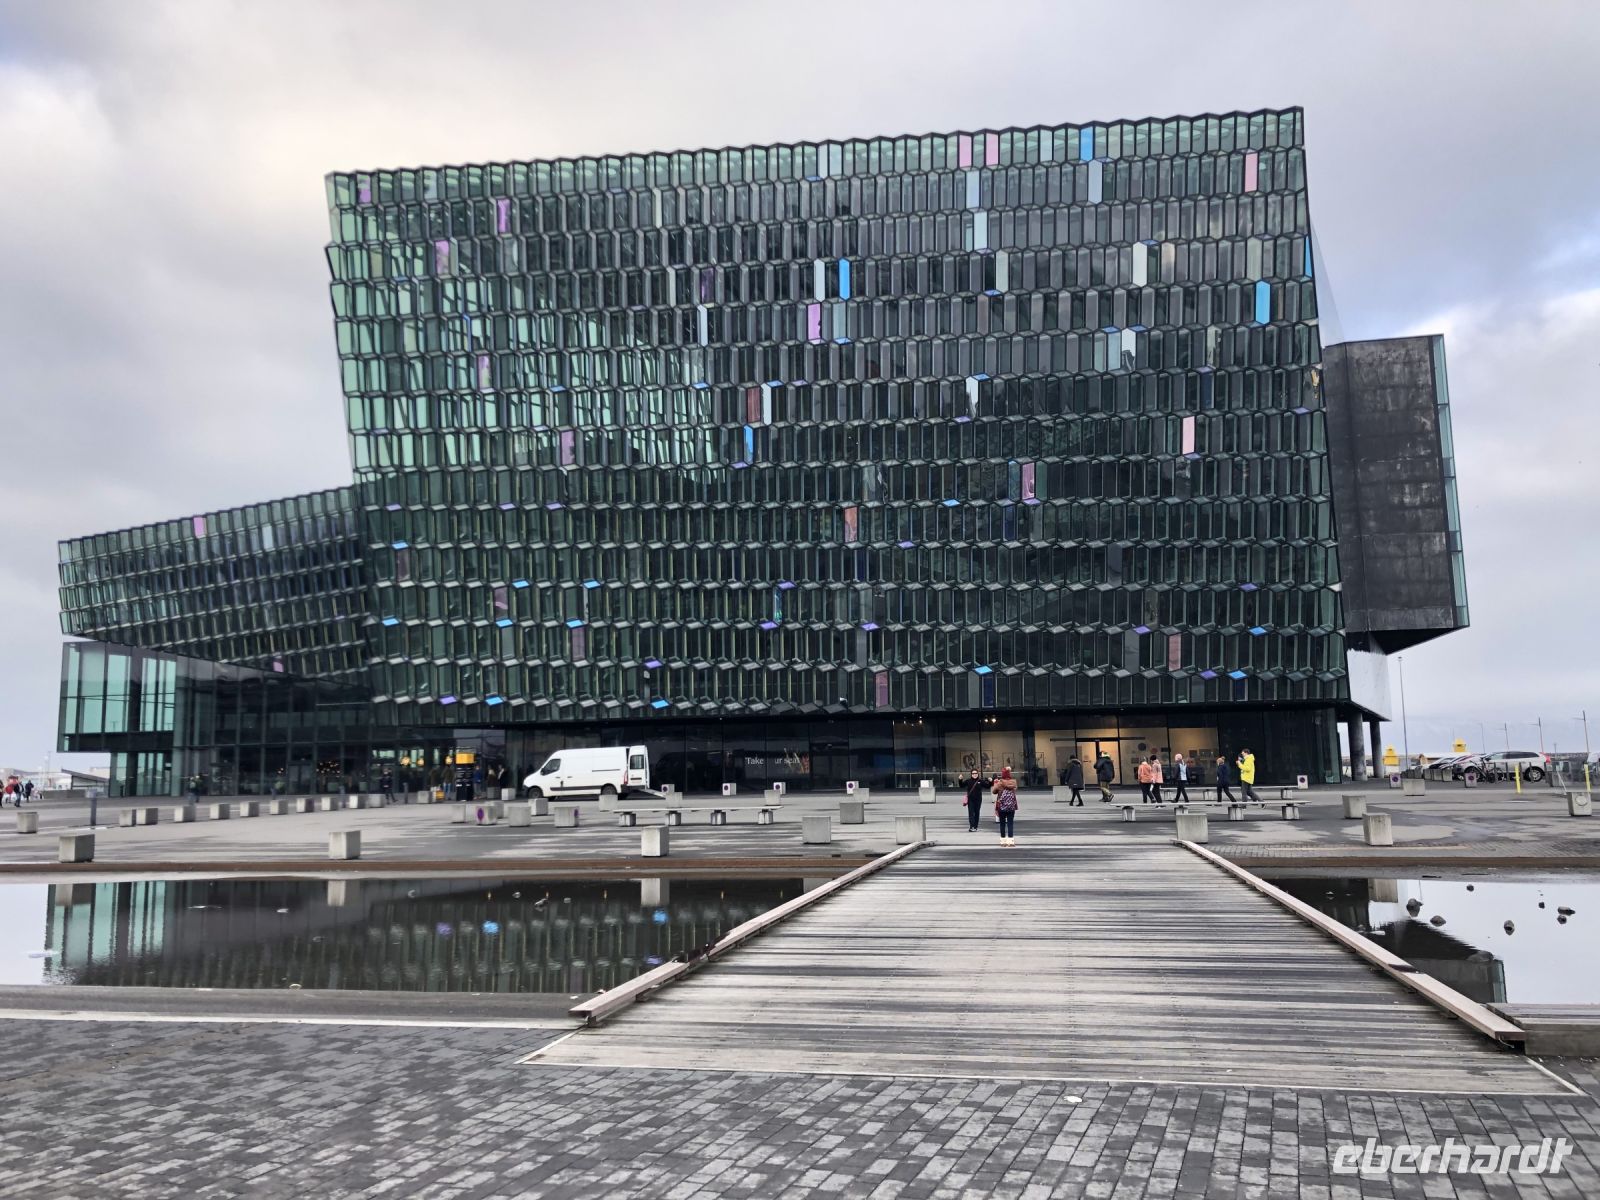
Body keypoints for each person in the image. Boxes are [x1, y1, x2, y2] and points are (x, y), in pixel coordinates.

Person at [991, 766, 1019, 846]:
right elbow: (1015, 789)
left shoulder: (1000, 783)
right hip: (1011, 806)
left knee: (1002, 824)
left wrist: (998, 785)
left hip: (1001, 806)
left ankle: (1003, 841)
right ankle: (1010, 841)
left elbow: (994, 792)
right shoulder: (1013, 782)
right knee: (1010, 823)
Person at [963, 768, 987, 833]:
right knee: (971, 813)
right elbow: (961, 785)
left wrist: (991, 781)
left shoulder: (980, 781)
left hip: (978, 800)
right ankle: (971, 826)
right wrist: (960, 779)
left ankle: (975, 826)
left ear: (977, 774)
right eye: (973, 773)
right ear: (971, 774)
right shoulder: (968, 781)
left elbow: (987, 786)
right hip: (971, 800)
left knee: (977, 813)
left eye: (976, 773)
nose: (974, 775)